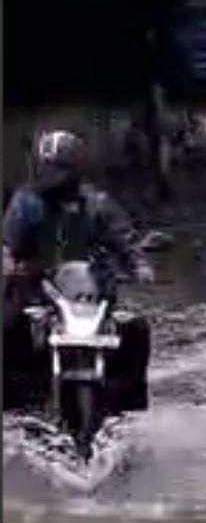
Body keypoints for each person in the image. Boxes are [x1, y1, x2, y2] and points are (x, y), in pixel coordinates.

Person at [3, 130, 154, 409]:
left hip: (92, 296)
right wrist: (11, 267)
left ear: (76, 169)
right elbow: (8, 245)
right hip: (40, 295)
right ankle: (14, 401)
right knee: (6, 330)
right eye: (51, 167)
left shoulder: (97, 203)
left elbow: (126, 240)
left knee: (137, 330)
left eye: (62, 168)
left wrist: (139, 266)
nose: (55, 175)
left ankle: (128, 402)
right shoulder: (26, 203)